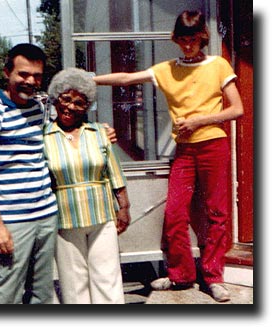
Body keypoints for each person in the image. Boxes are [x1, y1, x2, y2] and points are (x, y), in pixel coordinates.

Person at [93, 10, 244, 302]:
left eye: (194, 39)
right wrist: (87, 80)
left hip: (213, 145)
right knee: (175, 214)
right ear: (175, 39)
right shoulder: (166, 69)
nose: (188, 45)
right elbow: (125, 78)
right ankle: (182, 276)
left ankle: (214, 277)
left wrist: (199, 121)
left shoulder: (218, 65)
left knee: (217, 213)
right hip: (185, 151)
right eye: (183, 40)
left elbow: (237, 109)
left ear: (203, 37)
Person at [0, 43, 116, 304]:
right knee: (4, 294)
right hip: (12, 222)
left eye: (36, 76)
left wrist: (100, 129)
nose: (30, 81)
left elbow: (63, 132)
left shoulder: (37, 109)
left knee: (41, 294)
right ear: (6, 72)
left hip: (46, 218)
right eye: (23, 74)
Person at [44, 67, 131, 304]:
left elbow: (114, 171)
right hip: (64, 219)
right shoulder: (44, 137)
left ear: (87, 106)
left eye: (79, 103)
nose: (71, 107)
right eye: (66, 99)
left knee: (108, 279)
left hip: (102, 216)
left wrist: (123, 206)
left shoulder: (98, 132)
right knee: (74, 284)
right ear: (56, 98)